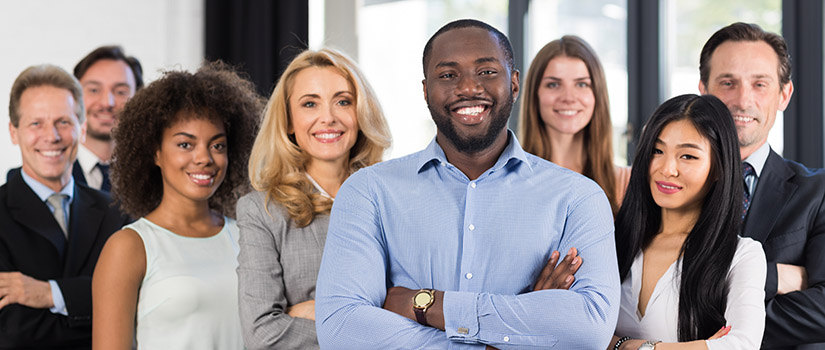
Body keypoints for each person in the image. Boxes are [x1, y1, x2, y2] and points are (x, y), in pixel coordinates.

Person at [315, 19, 619, 349]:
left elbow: (590, 327)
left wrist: (426, 304)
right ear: (425, 90)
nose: (469, 88)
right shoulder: (368, 192)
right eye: (448, 75)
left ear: (514, 84)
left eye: (487, 72)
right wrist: (515, 332)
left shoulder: (579, 198)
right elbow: (342, 327)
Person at [91, 62, 261, 349]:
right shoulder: (129, 247)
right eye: (185, 144)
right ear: (155, 152)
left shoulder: (247, 236)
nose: (204, 158)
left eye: (217, 145)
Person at [236, 48, 391, 349]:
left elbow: (420, 308)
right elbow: (263, 335)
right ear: (289, 122)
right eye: (310, 104)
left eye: (343, 101)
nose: (328, 118)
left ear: (360, 113)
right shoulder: (261, 211)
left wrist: (319, 312)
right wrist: (371, 323)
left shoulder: (392, 199)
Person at [698, 22, 825, 349]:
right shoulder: (669, 184)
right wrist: (776, 278)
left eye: (760, 84)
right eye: (728, 83)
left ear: (784, 95)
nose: (743, 100)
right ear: (703, 91)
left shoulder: (818, 193)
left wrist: (723, 334)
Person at [611, 94, 766, 349]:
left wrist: (625, 345)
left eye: (688, 156)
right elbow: (577, 330)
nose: (667, 168)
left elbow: (742, 344)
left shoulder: (742, 255)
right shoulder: (615, 240)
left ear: (718, 168)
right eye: (657, 151)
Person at [0, 64, 129, 349]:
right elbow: (11, 334)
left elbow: (138, 305)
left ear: (82, 130)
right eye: (36, 123)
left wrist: (53, 294)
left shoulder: (117, 212)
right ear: (13, 132)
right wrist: (98, 307)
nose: (52, 136)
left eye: (64, 122)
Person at [518, 35, 630, 213]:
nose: (568, 98)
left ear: (597, 95)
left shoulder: (628, 183)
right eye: (553, 84)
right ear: (535, 94)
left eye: (582, 84)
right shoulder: (510, 183)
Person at [72, 45, 143, 192]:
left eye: (121, 92)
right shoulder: (51, 172)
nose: (107, 103)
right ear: (73, 96)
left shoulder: (154, 176)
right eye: (94, 90)